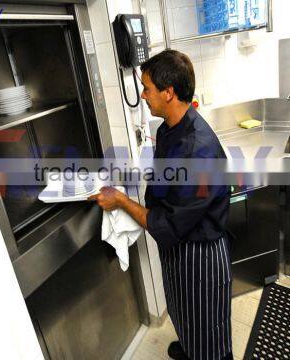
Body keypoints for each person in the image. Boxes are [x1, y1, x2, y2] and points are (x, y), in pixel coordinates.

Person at [89, 49, 232, 360]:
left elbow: (168, 226)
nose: (142, 95)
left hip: (200, 255)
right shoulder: (170, 128)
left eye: (147, 88)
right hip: (180, 250)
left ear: (169, 93)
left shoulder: (199, 151)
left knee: (209, 330)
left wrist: (122, 201)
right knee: (183, 312)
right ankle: (191, 348)